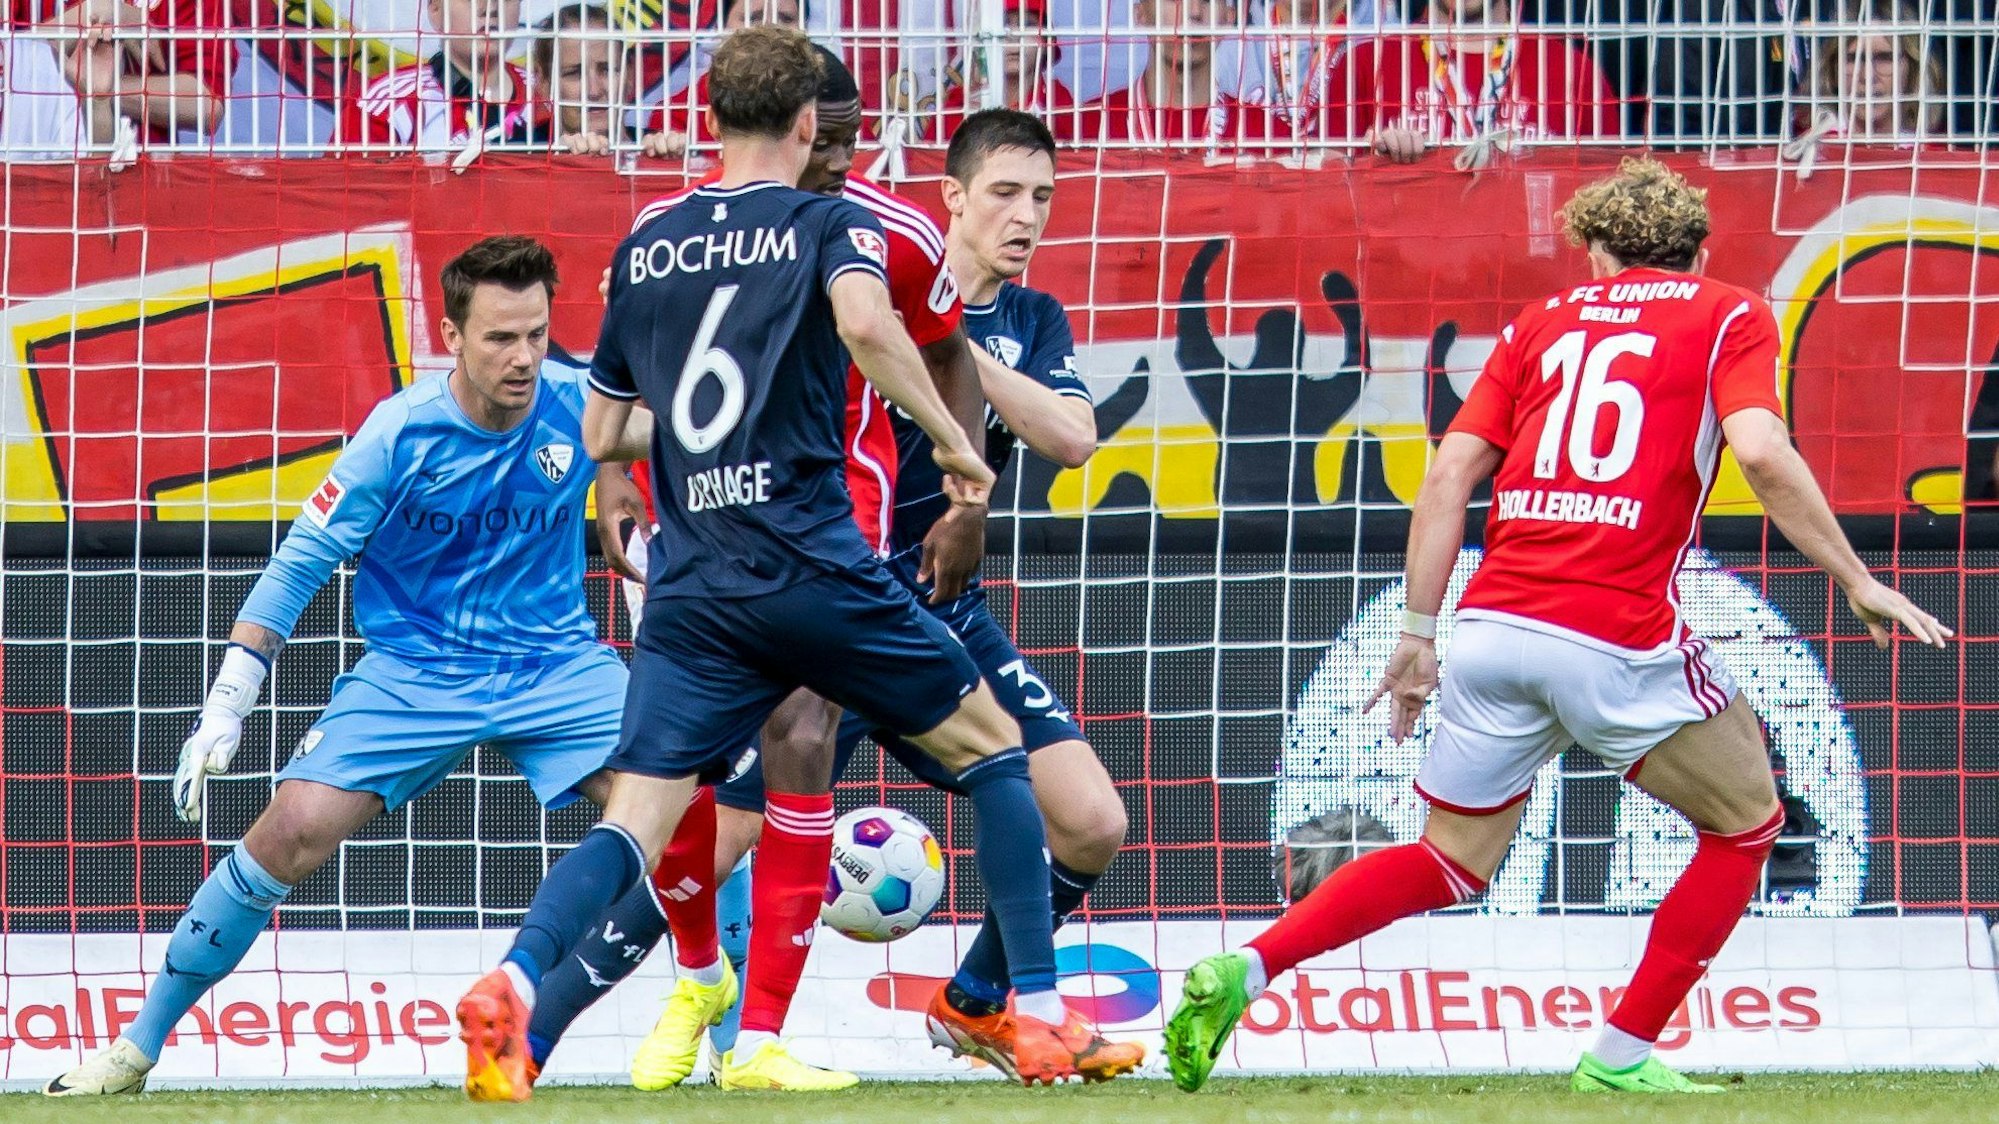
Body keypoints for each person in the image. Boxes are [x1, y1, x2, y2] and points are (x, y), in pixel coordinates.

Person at [1162, 157, 1952, 1095]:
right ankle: (1618, 1055)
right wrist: (1855, 579)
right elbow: (1760, 452)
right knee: (1747, 827)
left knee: (1447, 859)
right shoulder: (1727, 310)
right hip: (1614, 629)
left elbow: (1448, 478)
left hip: (1491, 626)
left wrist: (1417, 635)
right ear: (1699, 253)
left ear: (1592, 254)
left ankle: (1244, 970)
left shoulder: (1537, 324)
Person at [454, 25, 1130, 1102]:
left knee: (642, 813)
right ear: (808, 126)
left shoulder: (653, 234)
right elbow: (870, 324)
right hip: (821, 562)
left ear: (707, 115)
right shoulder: (833, 227)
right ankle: (1025, 1013)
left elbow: (604, 431)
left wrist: (660, 456)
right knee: (983, 756)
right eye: (1008, 191)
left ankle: (520, 986)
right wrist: (961, 461)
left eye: (1040, 195)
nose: (1027, 214)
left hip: (703, 573)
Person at [43, 236, 629, 1098]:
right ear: (450, 333)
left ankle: (735, 1040)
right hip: (416, 672)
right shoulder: (397, 435)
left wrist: (626, 487)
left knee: (694, 809)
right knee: (289, 831)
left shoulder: (580, 405)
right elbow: (297, 567)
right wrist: (228, 703)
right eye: (501, 338)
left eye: (537, 335)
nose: (524, 357)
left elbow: (659, 435)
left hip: (556, 664)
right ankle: (134, 1047)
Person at [525, 44, 987, 1094]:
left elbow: (948, 346)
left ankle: (761, 1034)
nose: (833, 151)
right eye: (819, 131)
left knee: (800, 732)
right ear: (786, 125)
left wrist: (963, 491)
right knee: (677, 766)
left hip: (835, 518)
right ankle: (696, 969)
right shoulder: (674, 234)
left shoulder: (881, 231)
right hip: (703, 524)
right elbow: (633, 381)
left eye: (849, 133)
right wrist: (612, 488)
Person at [1320, 0, 1620, 165]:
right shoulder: (1366, 64)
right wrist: (1373, 162)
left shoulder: (1572, 70)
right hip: (1407, 270)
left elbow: (1609, 191)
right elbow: (1328, 182)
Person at [1081, 0, 1291, 150]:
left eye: (1207, 1)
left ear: (1229, 18)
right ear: (1140, 14)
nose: (1194, 12)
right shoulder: (1086, 128)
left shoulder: (1269, 136)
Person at [26, 0, 228, 147]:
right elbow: (9, 64)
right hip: (34, 171)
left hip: (141, 183)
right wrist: (88, 13)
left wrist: (103, 89)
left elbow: (207, 107)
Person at [336, 0, 530, 151]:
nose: (490, 10)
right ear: (435, 9)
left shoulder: (545, 97)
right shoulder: (386, 103)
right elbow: (344, 193)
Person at [1794, 0, 1944, 144]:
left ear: (1913, 70)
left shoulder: (1936, 159)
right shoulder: (1802, 154)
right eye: (1853, 59)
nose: (1867, 76)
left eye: (1885, 58)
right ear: (1832, 71)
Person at [930, 0, 1075, 141]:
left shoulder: (1058, 102)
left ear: (1045, 42)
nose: (1013, 37)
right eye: (1001, 24)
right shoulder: (957, 106)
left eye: (1027, 24)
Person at [523, 1, 620, 155]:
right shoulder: (519, 154)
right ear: (543, 82)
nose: (594, 91)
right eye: (574, 73)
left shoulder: (655, 149)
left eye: (607, 70)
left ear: (630, 75)